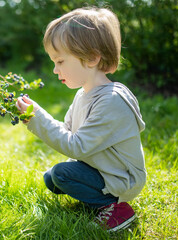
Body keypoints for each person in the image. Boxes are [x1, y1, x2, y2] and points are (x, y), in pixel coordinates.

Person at [16, 7, 146, 232]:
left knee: (61, 174)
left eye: (60, 61)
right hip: (101, 166)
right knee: (52, 179)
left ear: (92, 58)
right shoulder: (83, 94)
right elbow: (67, 130)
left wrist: (39, 118)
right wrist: (33, 118)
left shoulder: (111, 100)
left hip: (121, 178)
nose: (55, 70)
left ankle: (117, 209)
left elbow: (76, 146)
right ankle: (96, 199)